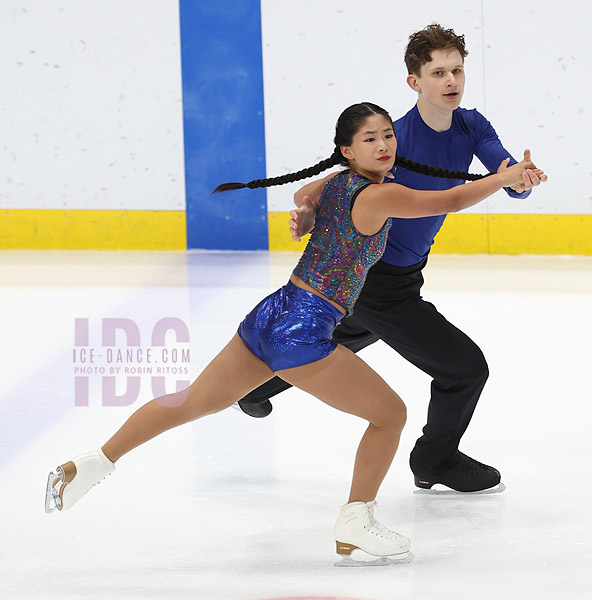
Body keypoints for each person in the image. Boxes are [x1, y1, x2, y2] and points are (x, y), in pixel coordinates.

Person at [45, 102, 541, 566]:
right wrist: (504, 178)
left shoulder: (337, 184)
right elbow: (451, 199)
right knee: (390, 414)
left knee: (193, 400)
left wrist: (303, 215)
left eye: (389, 135)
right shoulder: (379, 194)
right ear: (348, 150)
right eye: (370, 139)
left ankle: (91, 463)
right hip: (303, 330)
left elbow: (305, 196)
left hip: (271, 313)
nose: (385, 145)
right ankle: (356, 519)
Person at [236, 24, 548, 494]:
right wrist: (309, 210)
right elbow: (318, 189)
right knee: (464, 368)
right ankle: (435, 460)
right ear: (414, 82)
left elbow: (501, 168)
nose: (451, 81)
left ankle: (257, 386)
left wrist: (518, 178)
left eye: (457, 70)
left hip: (402, 277)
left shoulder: (471, 125)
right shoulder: (393, 140)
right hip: (376, 280)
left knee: (350, 337)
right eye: (437, 72)